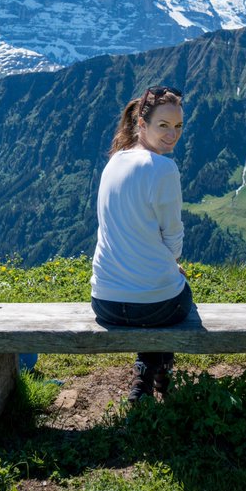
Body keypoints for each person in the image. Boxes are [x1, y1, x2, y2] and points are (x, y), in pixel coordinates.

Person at [91, 84, 193, 402]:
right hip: (157, 305)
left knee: (154, 292)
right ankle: (158, 370)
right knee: (174, 292)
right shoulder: (163, 168)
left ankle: (145, 377)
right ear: (141, 124)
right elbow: (174, 242)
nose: (172, 134)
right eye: (163, 125)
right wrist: (172, 265)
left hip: (105, 302)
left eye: (177, 126)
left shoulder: (114, 162)